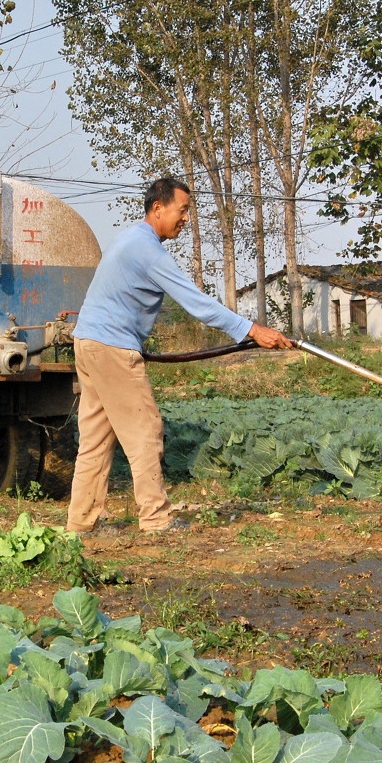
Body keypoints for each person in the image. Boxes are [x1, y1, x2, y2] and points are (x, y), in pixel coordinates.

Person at [65, 177, 294, 535]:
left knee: (96, 438)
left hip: (90, 343)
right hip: (111, 347)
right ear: (158, 208)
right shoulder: (146, 250)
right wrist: (251, 329)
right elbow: (197, 303)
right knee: (145, 430)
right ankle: (156, 519)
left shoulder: (130, 240)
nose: (186, 218)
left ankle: (81, 523)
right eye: (182, 210)